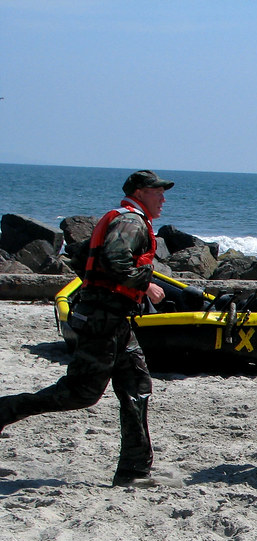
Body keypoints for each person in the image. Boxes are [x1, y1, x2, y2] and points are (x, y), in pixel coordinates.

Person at [0, 170, 171, 486]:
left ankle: (134, 472)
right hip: (103, 320)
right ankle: (4, 410)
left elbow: (81, 256)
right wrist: (146, 284)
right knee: (80, 393)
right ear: (139, 192)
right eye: (157, 192)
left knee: (137, 387)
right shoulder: (131, 222)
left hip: (114, 319)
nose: (162, 199)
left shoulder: (123, 219)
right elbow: (114, 257)